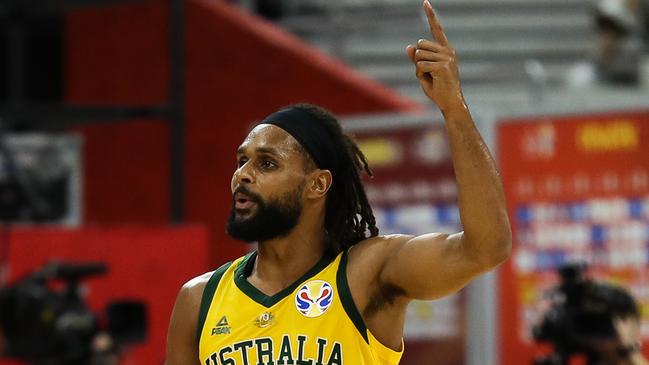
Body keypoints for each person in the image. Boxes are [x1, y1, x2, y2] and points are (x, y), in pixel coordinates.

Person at [165, 1, 512, 364]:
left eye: (267, 163)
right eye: (241, 161)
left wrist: (454, 109)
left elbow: (487, 248)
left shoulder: (367, 273)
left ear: (317, 184)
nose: (243, 174)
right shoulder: (199, 299)